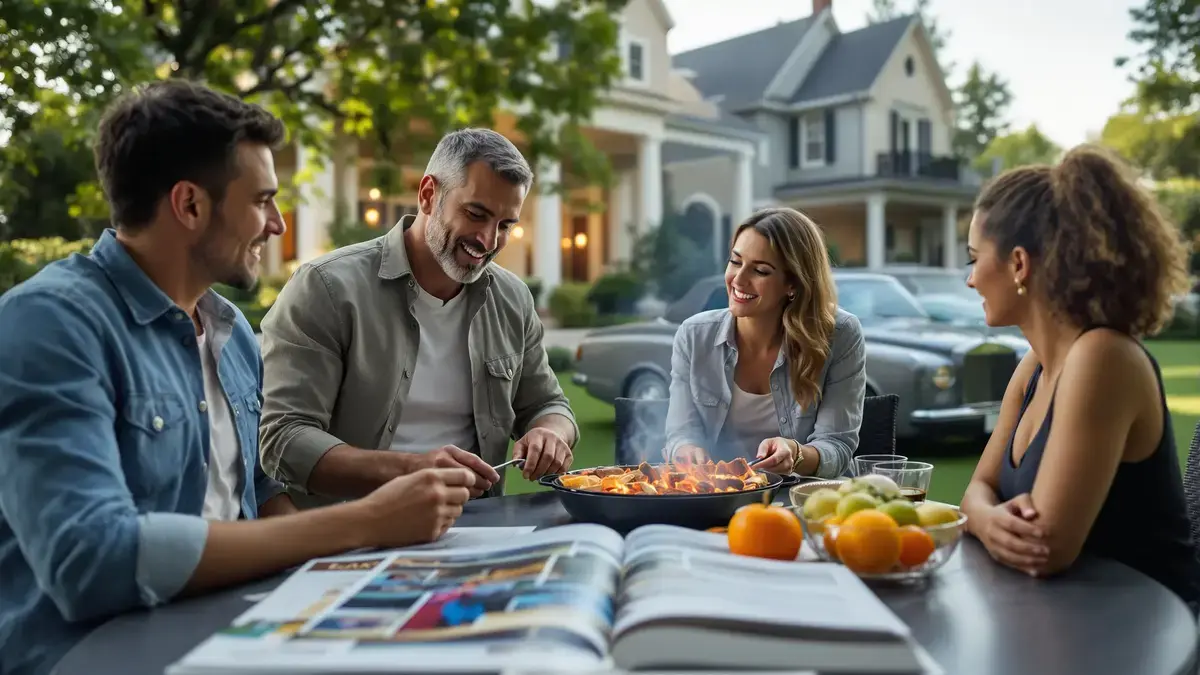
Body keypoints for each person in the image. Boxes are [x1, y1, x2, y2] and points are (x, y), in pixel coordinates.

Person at [0, 80, 474, 675]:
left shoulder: (233, 335)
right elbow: (89, 560)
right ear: (190, 205)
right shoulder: (49, 323)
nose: (277, 224)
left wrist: (358, 565)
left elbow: (257, 490)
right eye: (262, 201)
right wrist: (362, 522)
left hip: (241, 633)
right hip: (92, 654)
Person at [259, 127, 578, 509]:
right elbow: (285, 437)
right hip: (346, 533)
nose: (489, 240)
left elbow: (549, 405)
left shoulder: (511, 299)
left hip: (474, 526)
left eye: (506, 225)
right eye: (476, 214)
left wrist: (549, 432)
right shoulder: (326, 289)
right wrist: (414, 469)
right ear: (429, 195)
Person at [958, 143, 1200, 613]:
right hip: (1059, 621)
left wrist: (978, 517)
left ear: (1019, 264)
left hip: (1148, 640)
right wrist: (986, 520)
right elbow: (973, 491)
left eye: (973, 258)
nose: (970, 279)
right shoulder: (1033, 367)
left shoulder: (1102, 357)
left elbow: (1044, 548)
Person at [662, 207, 866, 478]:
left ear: (793, 284)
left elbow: (838, 446)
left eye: (760, 270)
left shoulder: (840, 335)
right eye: (735, 262)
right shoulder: (693, 335)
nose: (739, 279)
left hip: (803, 497)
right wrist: (685, 450)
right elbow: (680, 432)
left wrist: (795, 454)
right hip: (715, 496)